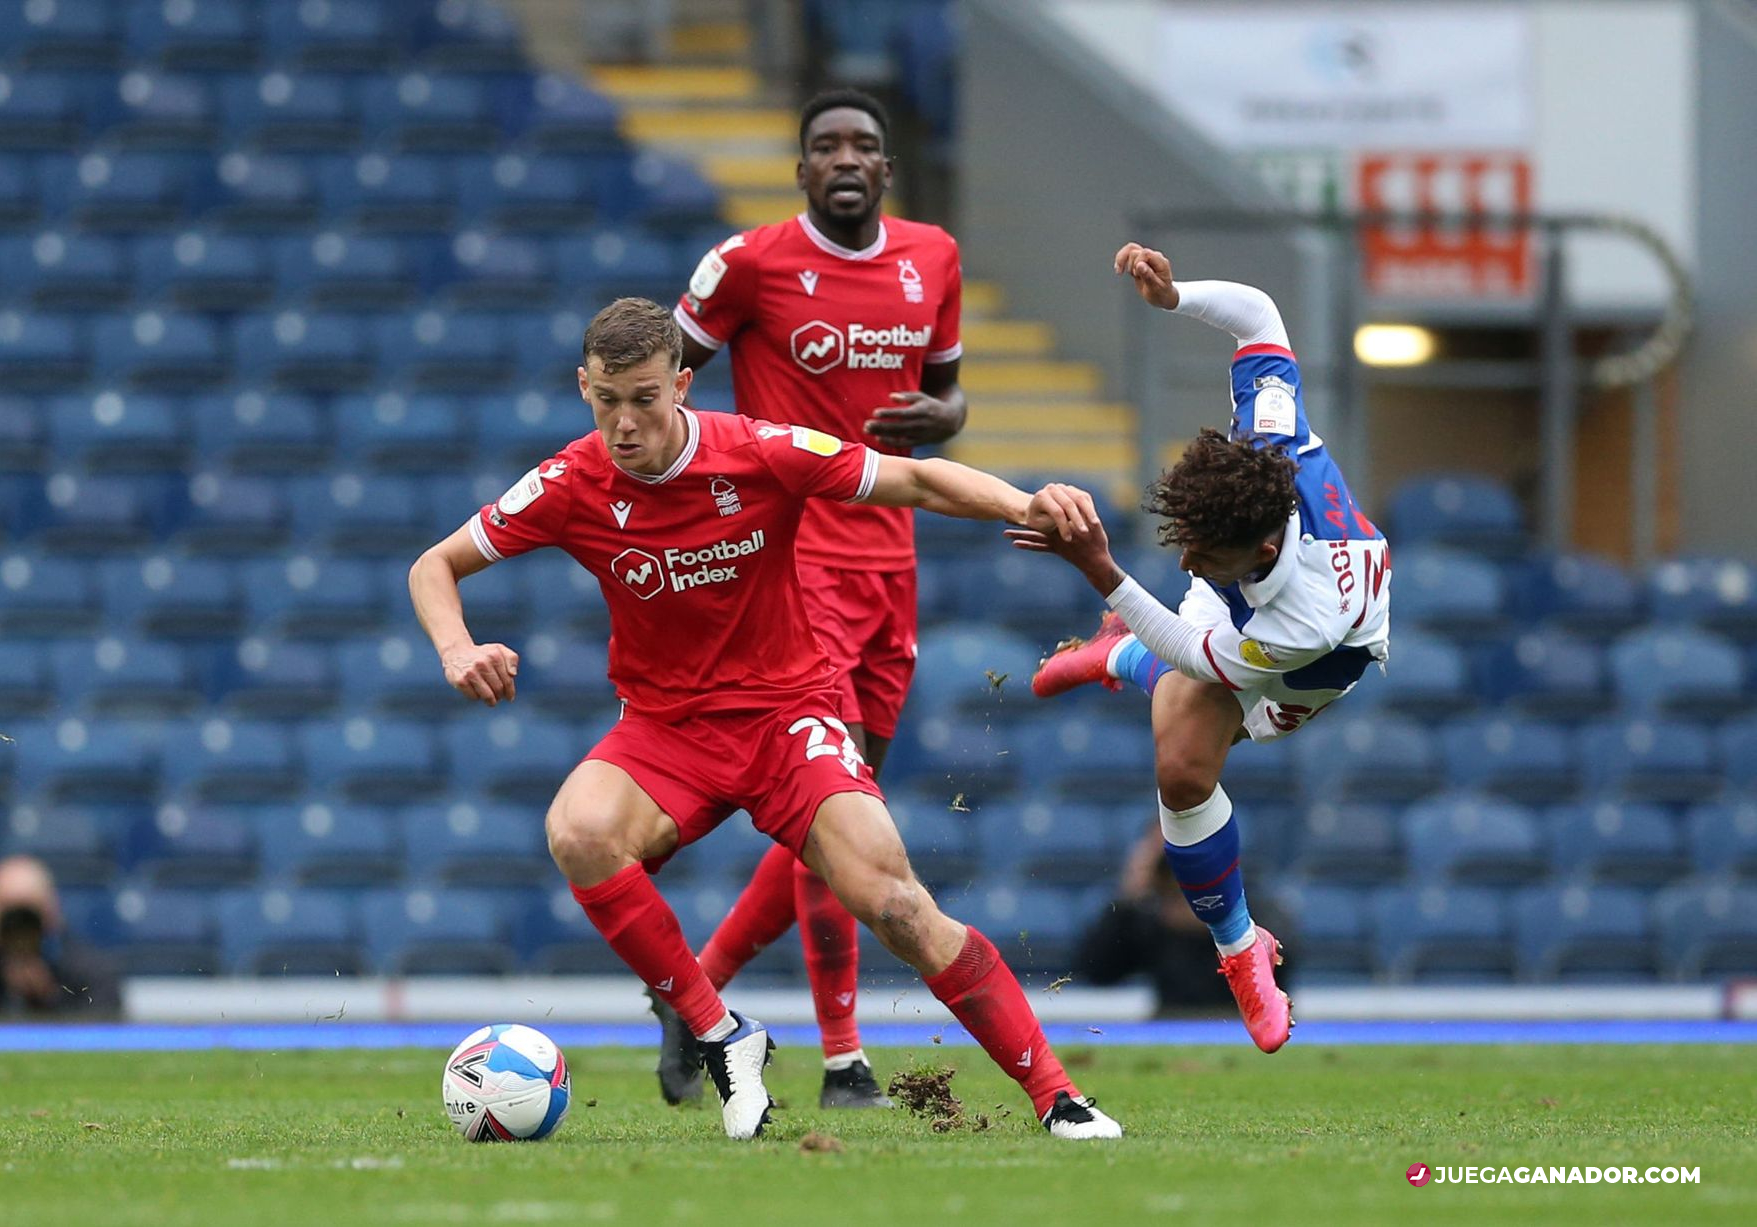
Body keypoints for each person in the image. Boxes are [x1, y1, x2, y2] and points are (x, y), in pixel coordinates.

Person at [408, 297, 1119, 1142]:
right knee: (578, 831)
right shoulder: (570, 483)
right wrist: (456, 650)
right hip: (666, 730)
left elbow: (917, 478)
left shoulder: (757, 451)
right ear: (582, 387)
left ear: (682, 383)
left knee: (894, 904)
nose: (624, 423)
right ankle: (720, 1034)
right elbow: (435, 565)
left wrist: (1026, 503)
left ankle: (1059, 1097)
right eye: (606, 401)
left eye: (644, 398)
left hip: (790, 716)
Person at [661, 87, 968, 1110]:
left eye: (865, 144)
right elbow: (661, 386)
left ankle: (692, 992)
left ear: (887, 168)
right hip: (797, 569)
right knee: (832, 811)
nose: (846, 156)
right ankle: (843, 1062)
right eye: (826, 144)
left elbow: (950, 396)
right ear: (800, 170)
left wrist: (944, 412)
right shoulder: (746, 265)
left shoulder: (934, 257)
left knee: (844, 819)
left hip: (893, 565)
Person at [1010, 244, 1391, 1054]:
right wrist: (1175, 296)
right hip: (1235, 605)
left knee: (1180, 696)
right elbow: (1258, 312)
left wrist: (1102, 574)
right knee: (1180, 772)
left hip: (1328, 661)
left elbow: (1191, 653)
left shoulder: (1304, 620)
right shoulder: (1267, 437)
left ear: (1254, 550)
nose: (1182, 561)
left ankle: (1113, 654)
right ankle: (1241, 949)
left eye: (1199, 553)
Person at [1073, 828, 1293, 1016]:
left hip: (1242, 1021)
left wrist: (1218, 916)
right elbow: (1096, 969)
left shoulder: (1247, 903)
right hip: (1171, 1023)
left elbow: (1283, 958)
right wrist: (1131, 892)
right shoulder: (1149, 918)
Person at [0, 855, 122, 1018]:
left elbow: (101, 1034)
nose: (21, 928)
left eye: (28, 916)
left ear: (51, 909)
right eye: (10, 916)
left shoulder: (92, 971)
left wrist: (50, 996)